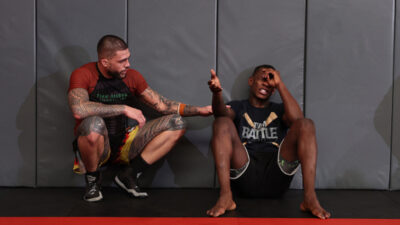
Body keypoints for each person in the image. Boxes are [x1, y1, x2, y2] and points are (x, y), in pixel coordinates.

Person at [68, 34, 212, 202]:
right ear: (105, 62)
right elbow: (78, 109)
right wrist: (123, 108)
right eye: (122, 61)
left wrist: (200, 110)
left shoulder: (131, 76)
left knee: (177, 122)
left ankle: (129, 174)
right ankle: (93, 181)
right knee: (93, 123)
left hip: (126, 142)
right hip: (98, 147)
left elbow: (163, 105)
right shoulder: (83, 74)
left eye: (128, 59)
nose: (127, 64)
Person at [206, 65, 331, 219]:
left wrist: (280, 85)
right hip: (244, 172)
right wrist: (217, 94)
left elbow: (297, 121)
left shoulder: (279, 110)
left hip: (277, 174)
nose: (266, 83)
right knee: (221, 123)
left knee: (306, 124)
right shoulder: (239, 106)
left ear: (273, 90)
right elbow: (220, 113)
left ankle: (310, 198)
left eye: (271, 80)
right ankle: (226, 196)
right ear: (251, 81)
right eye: (263, 78)